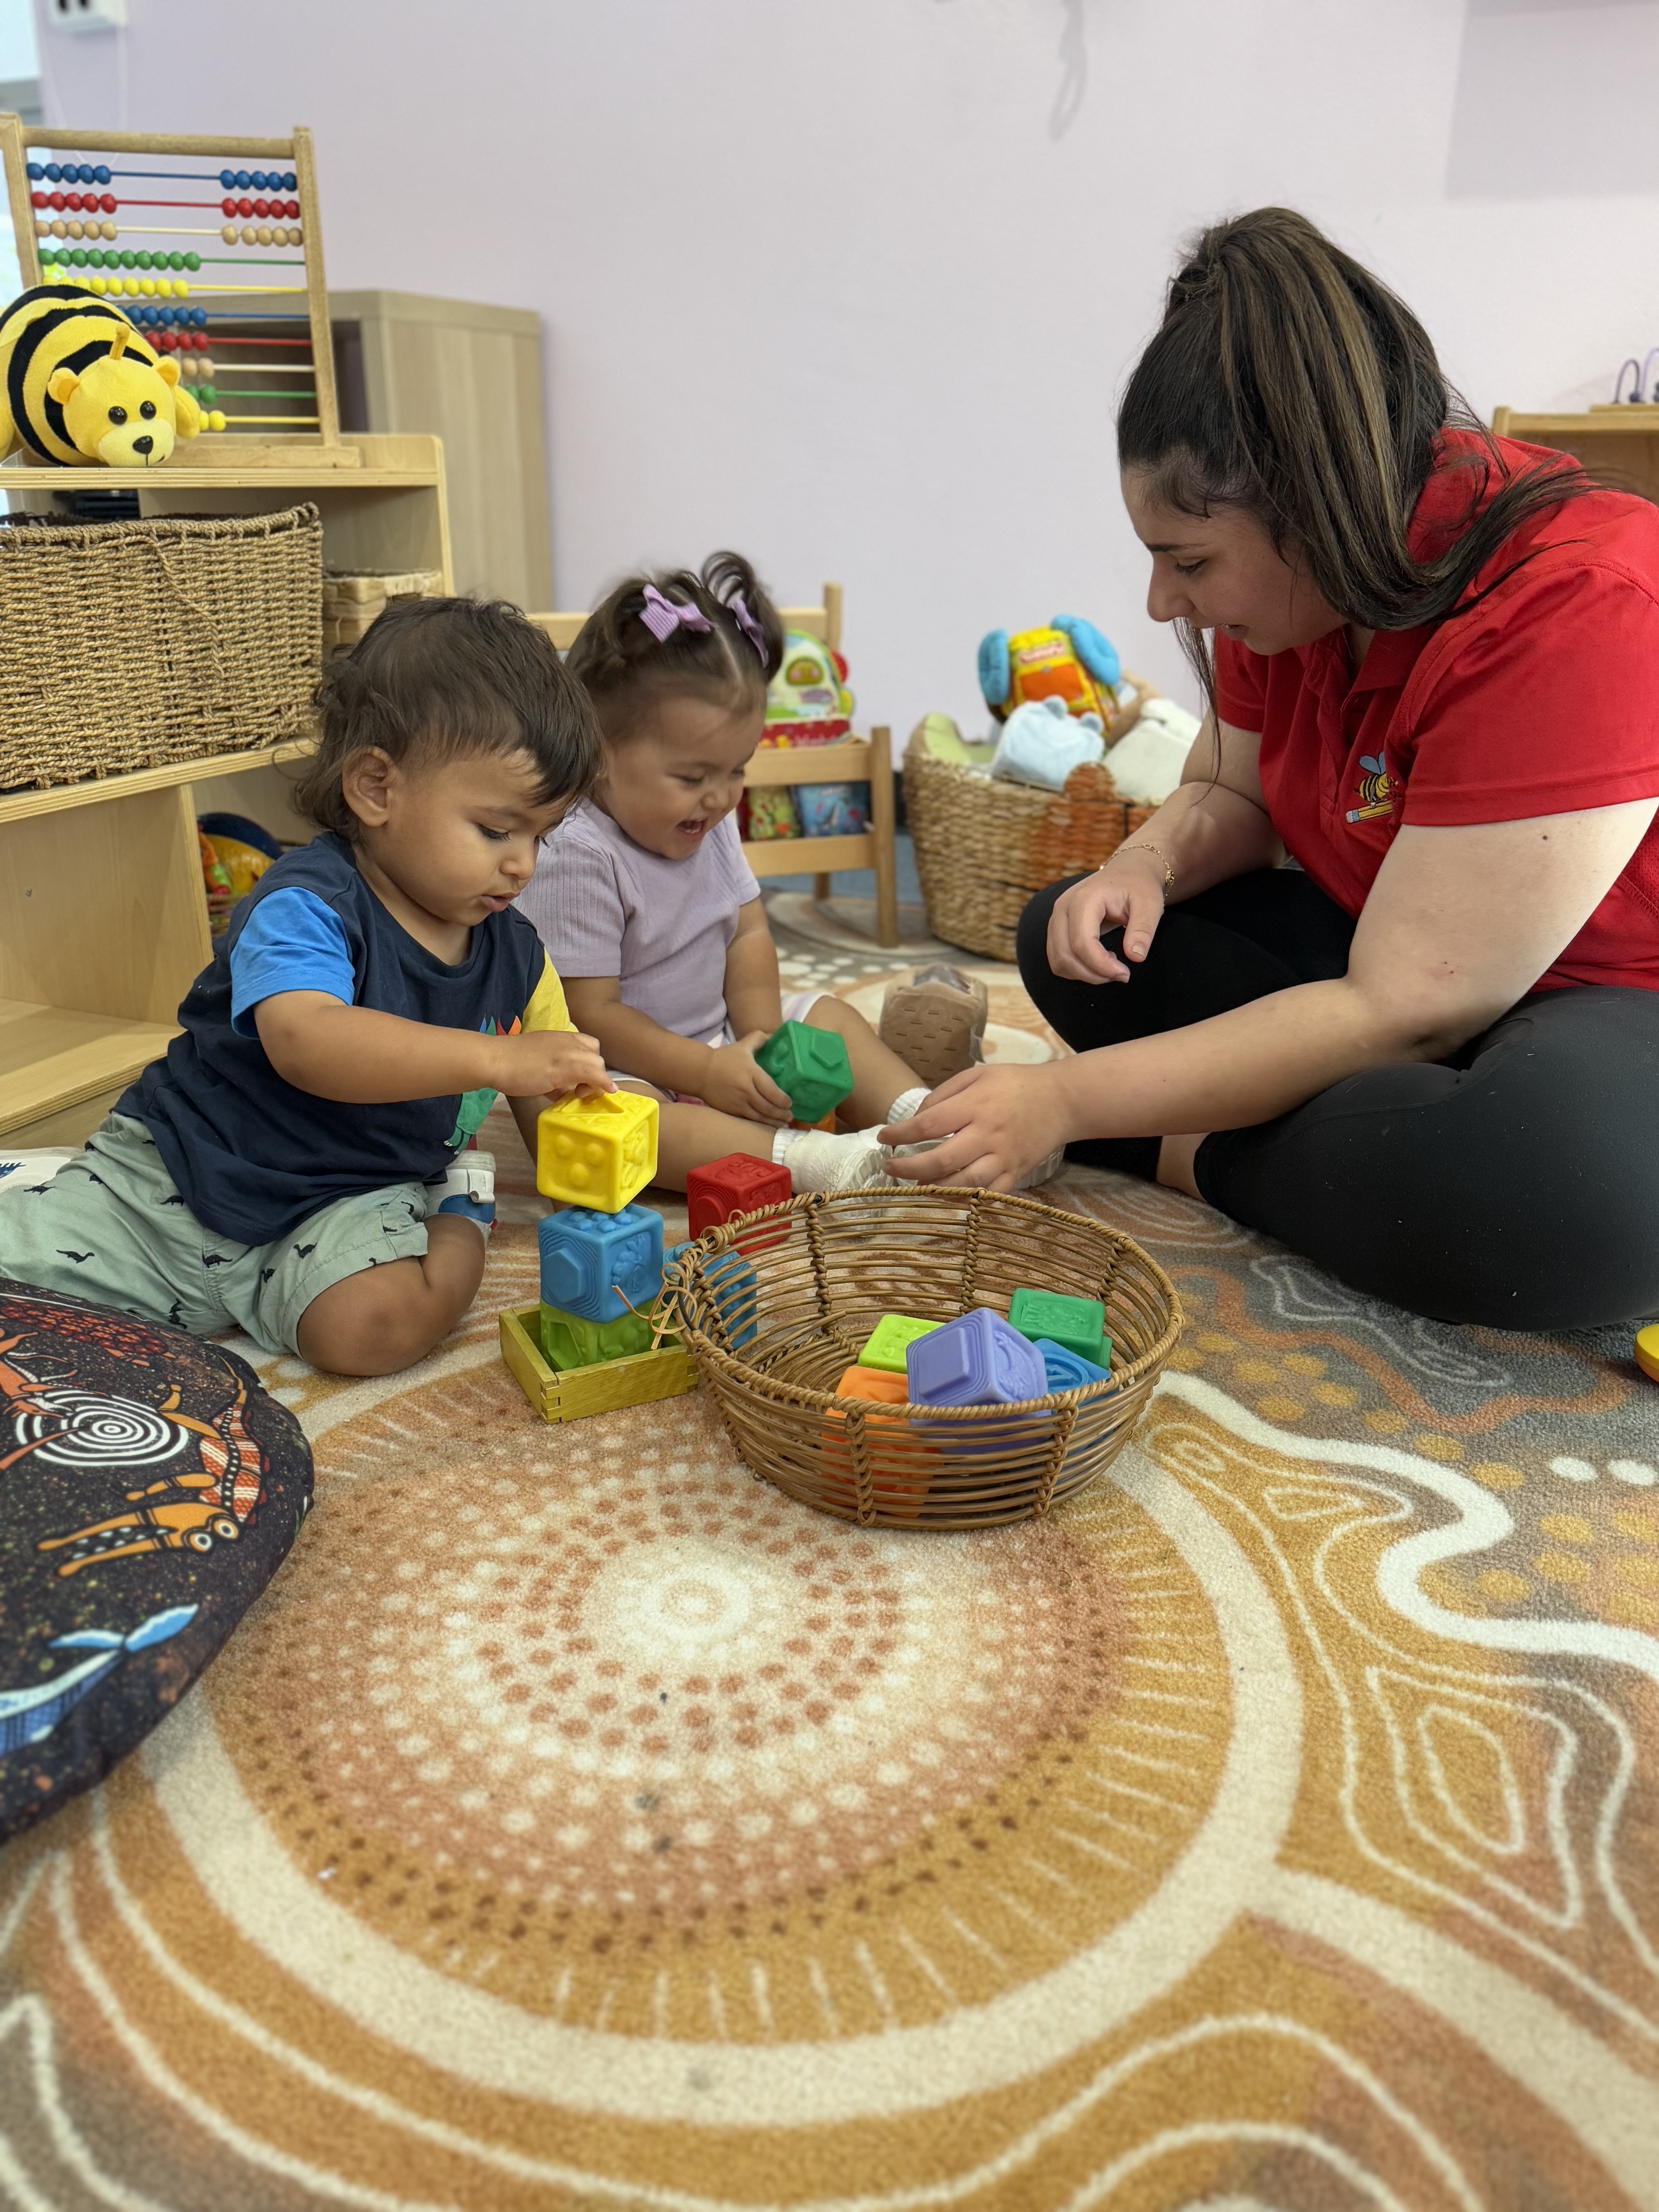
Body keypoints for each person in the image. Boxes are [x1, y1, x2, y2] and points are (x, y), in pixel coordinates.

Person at [882, 207, 1659, 1334]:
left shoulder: (1580, 602)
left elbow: (1405, 1009)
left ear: (1316, 509)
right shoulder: (1298, 598)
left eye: (1187, 562)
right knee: (1074, 937)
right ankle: (1331, 1138)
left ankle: (1193, 1154)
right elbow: (1230, 793)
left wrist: (1062, 1103)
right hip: (1396, 962)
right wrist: (1140, 866)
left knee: (1569, 1199)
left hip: (1602, 1002)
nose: (1162, 603)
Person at [0, 598, 611, 1377]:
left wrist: (589, 1143)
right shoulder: (308, 903)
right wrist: (496, 1062)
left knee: (378, 1333)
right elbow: (307, 1040)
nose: (523, 864)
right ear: (376, 789)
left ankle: (462, 1212)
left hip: (351, 1195)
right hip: (179, 1174)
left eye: (540, 836)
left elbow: (546, 1108)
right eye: (497, 830)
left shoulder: (516, 955)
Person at [520, 552, 981, 1192]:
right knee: (620, 1122)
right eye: (692, 777)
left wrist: (763, 1039)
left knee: (829, 1016)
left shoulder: (708, 822)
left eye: (737, 770)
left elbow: (747, 933)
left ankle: (932, 1122)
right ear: (598, 753)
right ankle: (814, 1163)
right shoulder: (577, 851)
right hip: (627, 1065)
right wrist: (703, 1075)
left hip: (720, 1036)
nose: (720, 797)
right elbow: (593, 1014)